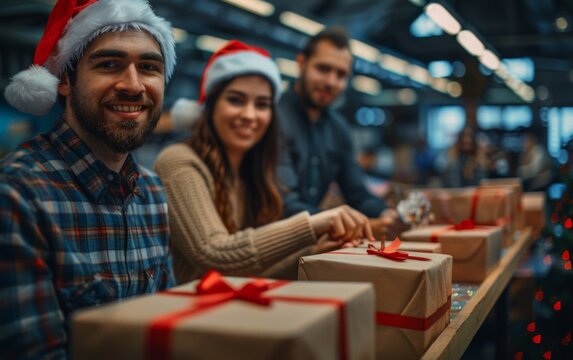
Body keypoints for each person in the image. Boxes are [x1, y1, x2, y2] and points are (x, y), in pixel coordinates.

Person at [0, 0, 177, 358]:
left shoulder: (153, 192)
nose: (133, 85)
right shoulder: (17, 195)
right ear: (64, 79)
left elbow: (167, 330)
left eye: (148, 67)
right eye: (109, 64)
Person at [154, 40, 373, 283]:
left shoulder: (253, 173)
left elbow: (242, 273)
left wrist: (314, 254)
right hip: (185, 315)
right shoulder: (179, 161)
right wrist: (315, 223)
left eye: (262, 104)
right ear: (211, 106)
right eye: (236, 100)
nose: (249, 115)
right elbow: (214, 254)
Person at [276, 27, 401, 236]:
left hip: (312, 243)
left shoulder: (338, 128)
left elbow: (358, 195)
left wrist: (388, 214)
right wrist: (338, 221)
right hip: (272, 245)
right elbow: (286, 206)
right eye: (323, 69)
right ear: (301, 63)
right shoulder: (274, 118)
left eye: (341, 74)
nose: (331, 82)